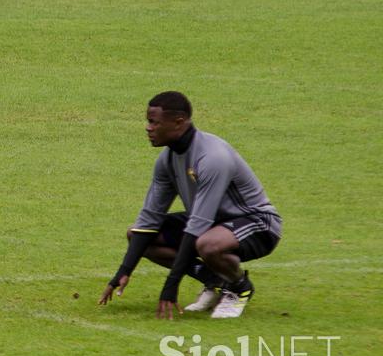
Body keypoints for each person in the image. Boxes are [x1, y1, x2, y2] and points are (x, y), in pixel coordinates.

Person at [98, 91, 282, 319]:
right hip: (210, 222)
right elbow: (149, 220)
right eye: (148, 121)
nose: (148, 127)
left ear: (178, 122)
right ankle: (216, 281)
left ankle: (239, 288)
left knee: (208, 244)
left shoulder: (213, 157)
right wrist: (123, 272)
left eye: (154, 122)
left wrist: (171, 285)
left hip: (257, 223)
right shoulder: (167, 159)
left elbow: (197, 225)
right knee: (139, 237)